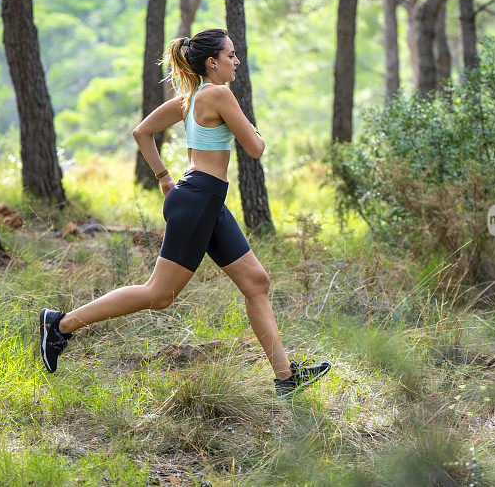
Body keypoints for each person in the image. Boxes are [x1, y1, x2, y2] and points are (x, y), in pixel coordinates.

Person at [39, 28, 330, 398]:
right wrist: (249, 133)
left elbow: (142, 132)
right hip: (198, 201)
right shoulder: (219, 95)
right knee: (159, 294)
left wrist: (164, 179)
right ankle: (60, 325)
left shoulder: (189, 98)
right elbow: (255, 148)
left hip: (204, 200)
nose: (236, 61)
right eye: (231, 55)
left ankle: (285, 377)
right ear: (213, 62)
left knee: (256, 281)